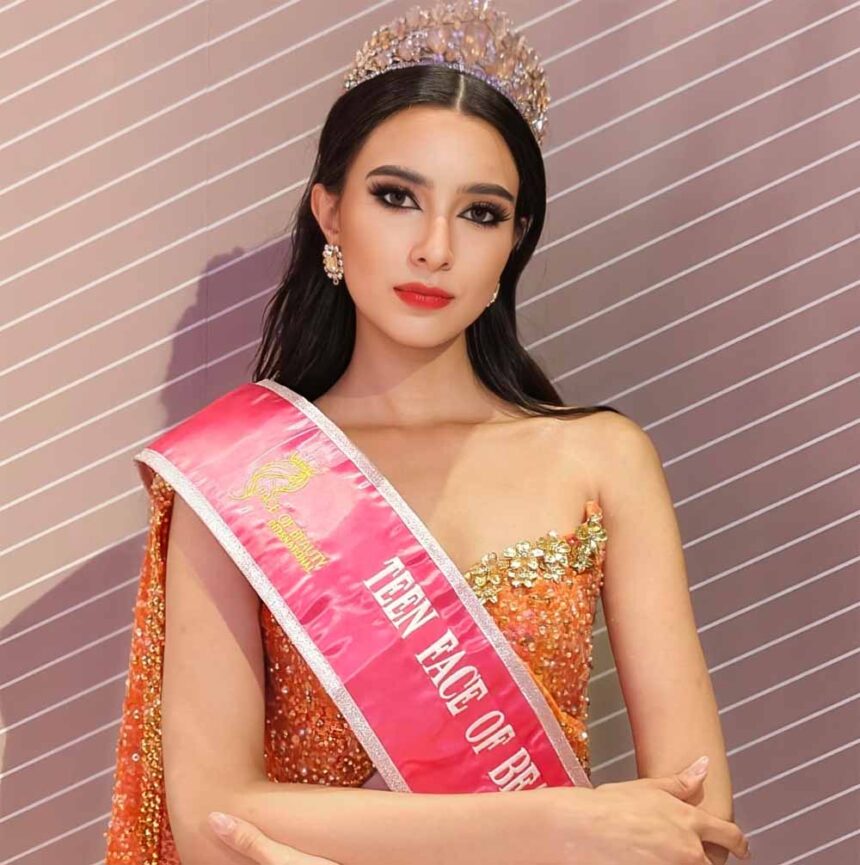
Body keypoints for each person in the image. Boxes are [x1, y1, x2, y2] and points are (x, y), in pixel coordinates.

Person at [103, 1, 751, 863]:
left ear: (515, 240)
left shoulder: (601, 459)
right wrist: (560, 824)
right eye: (396, 197)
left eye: (480, 212)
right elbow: (213, 816)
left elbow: (699, 829)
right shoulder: (240, 475)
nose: (434, 248)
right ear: (331, 212)